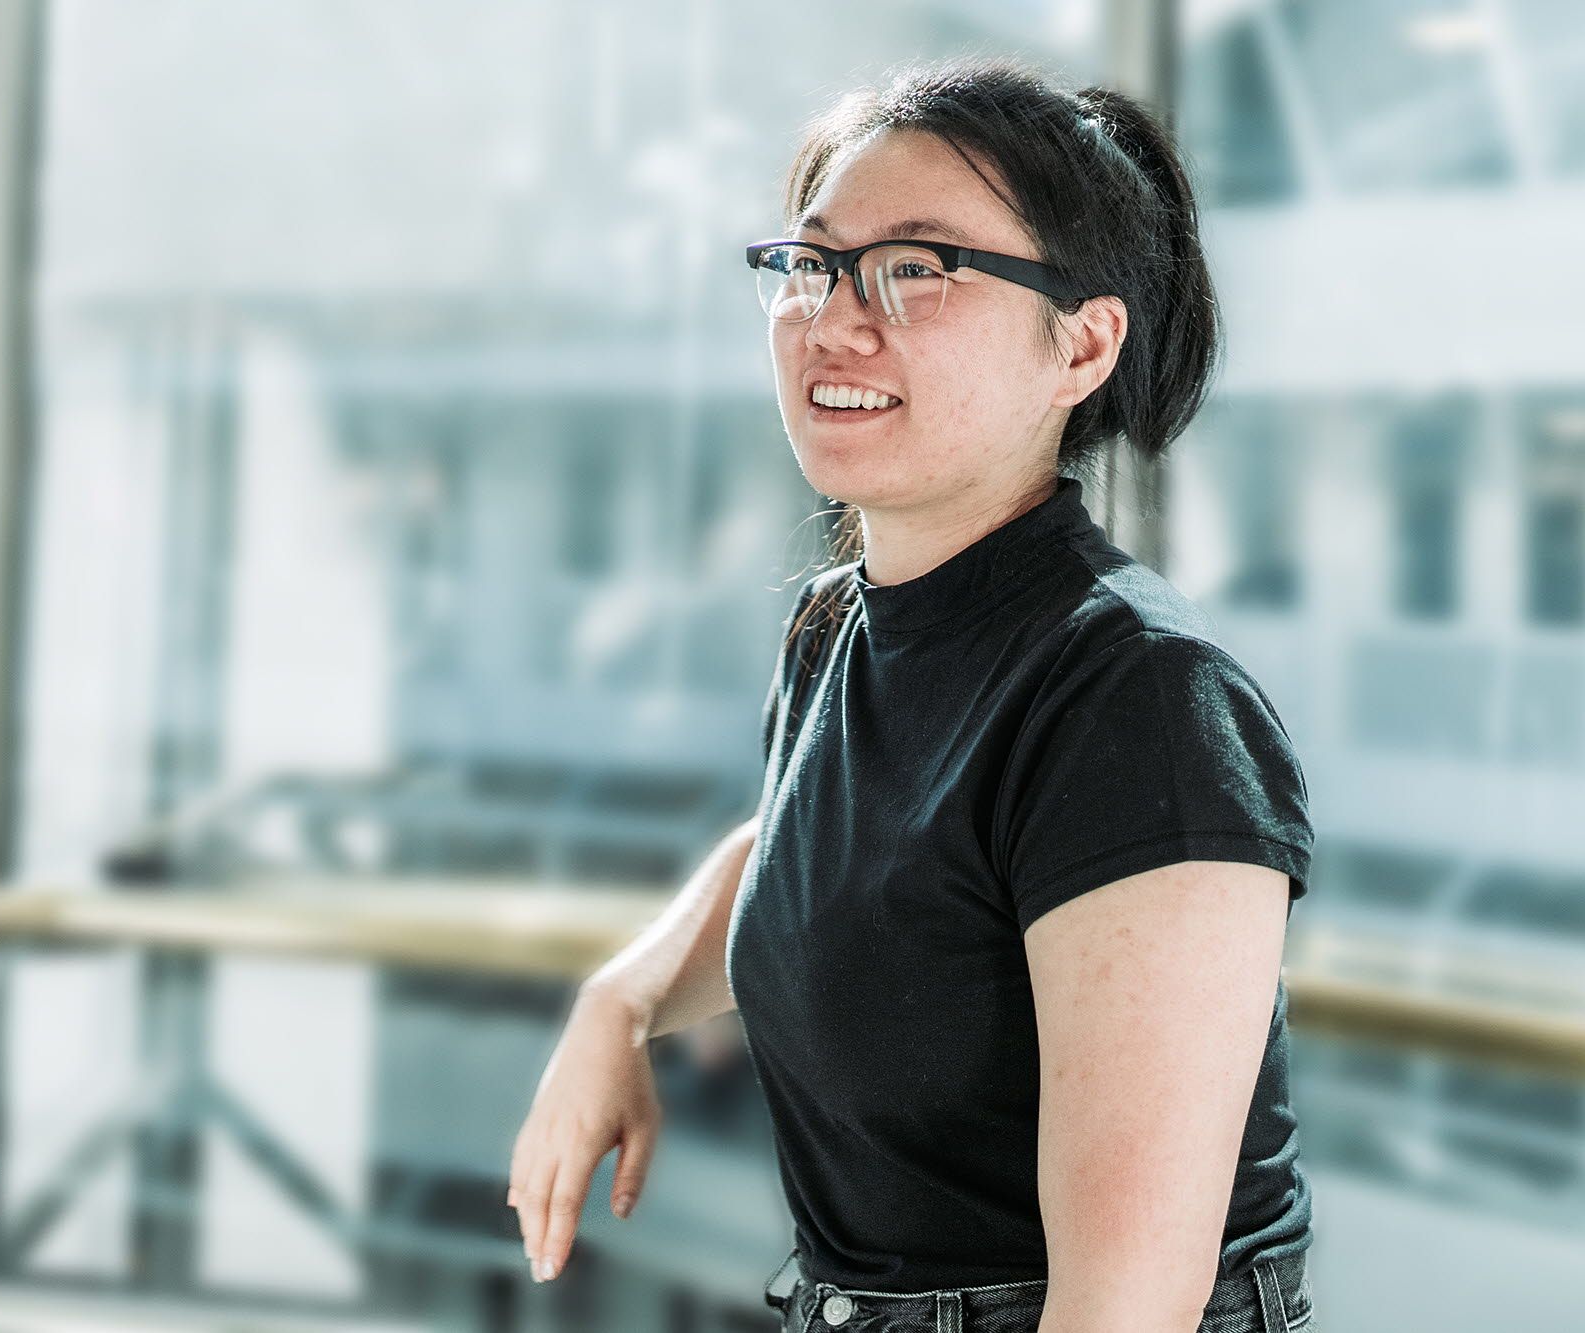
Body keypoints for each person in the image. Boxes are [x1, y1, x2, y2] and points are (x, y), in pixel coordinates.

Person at [508, 55, 1317, 1333]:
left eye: (917, 269)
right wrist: (620, 998)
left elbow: (1127, 1309)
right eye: (813, 263)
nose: (833, 319)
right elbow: (829, 855)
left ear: (1081, 345)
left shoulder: (1142, 703)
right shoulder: (839, 627)